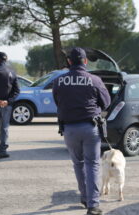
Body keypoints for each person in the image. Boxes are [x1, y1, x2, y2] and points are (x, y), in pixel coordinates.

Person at [52, 47, 110, 215]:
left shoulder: (59, 81)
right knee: (93, 164)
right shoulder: (95, 80)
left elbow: (58, 101)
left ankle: (84, 197)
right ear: (85, 61)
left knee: (78, 164)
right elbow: (106, 103)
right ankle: (93, 205)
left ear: (69, 61)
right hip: (90, 128)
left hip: (69, 128)